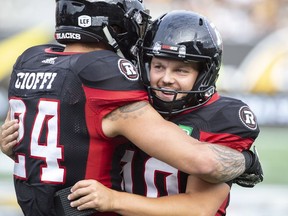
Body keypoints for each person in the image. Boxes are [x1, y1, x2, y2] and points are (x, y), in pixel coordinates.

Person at [0, 2, 262, 216]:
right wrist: (246, 161)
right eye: (158, 66)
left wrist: (115, 200)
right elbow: (67, 151)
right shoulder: (124, 97)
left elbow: (199, 209)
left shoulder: (222, 117)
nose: (166, 78)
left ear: (206, 72)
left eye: (181, 69)